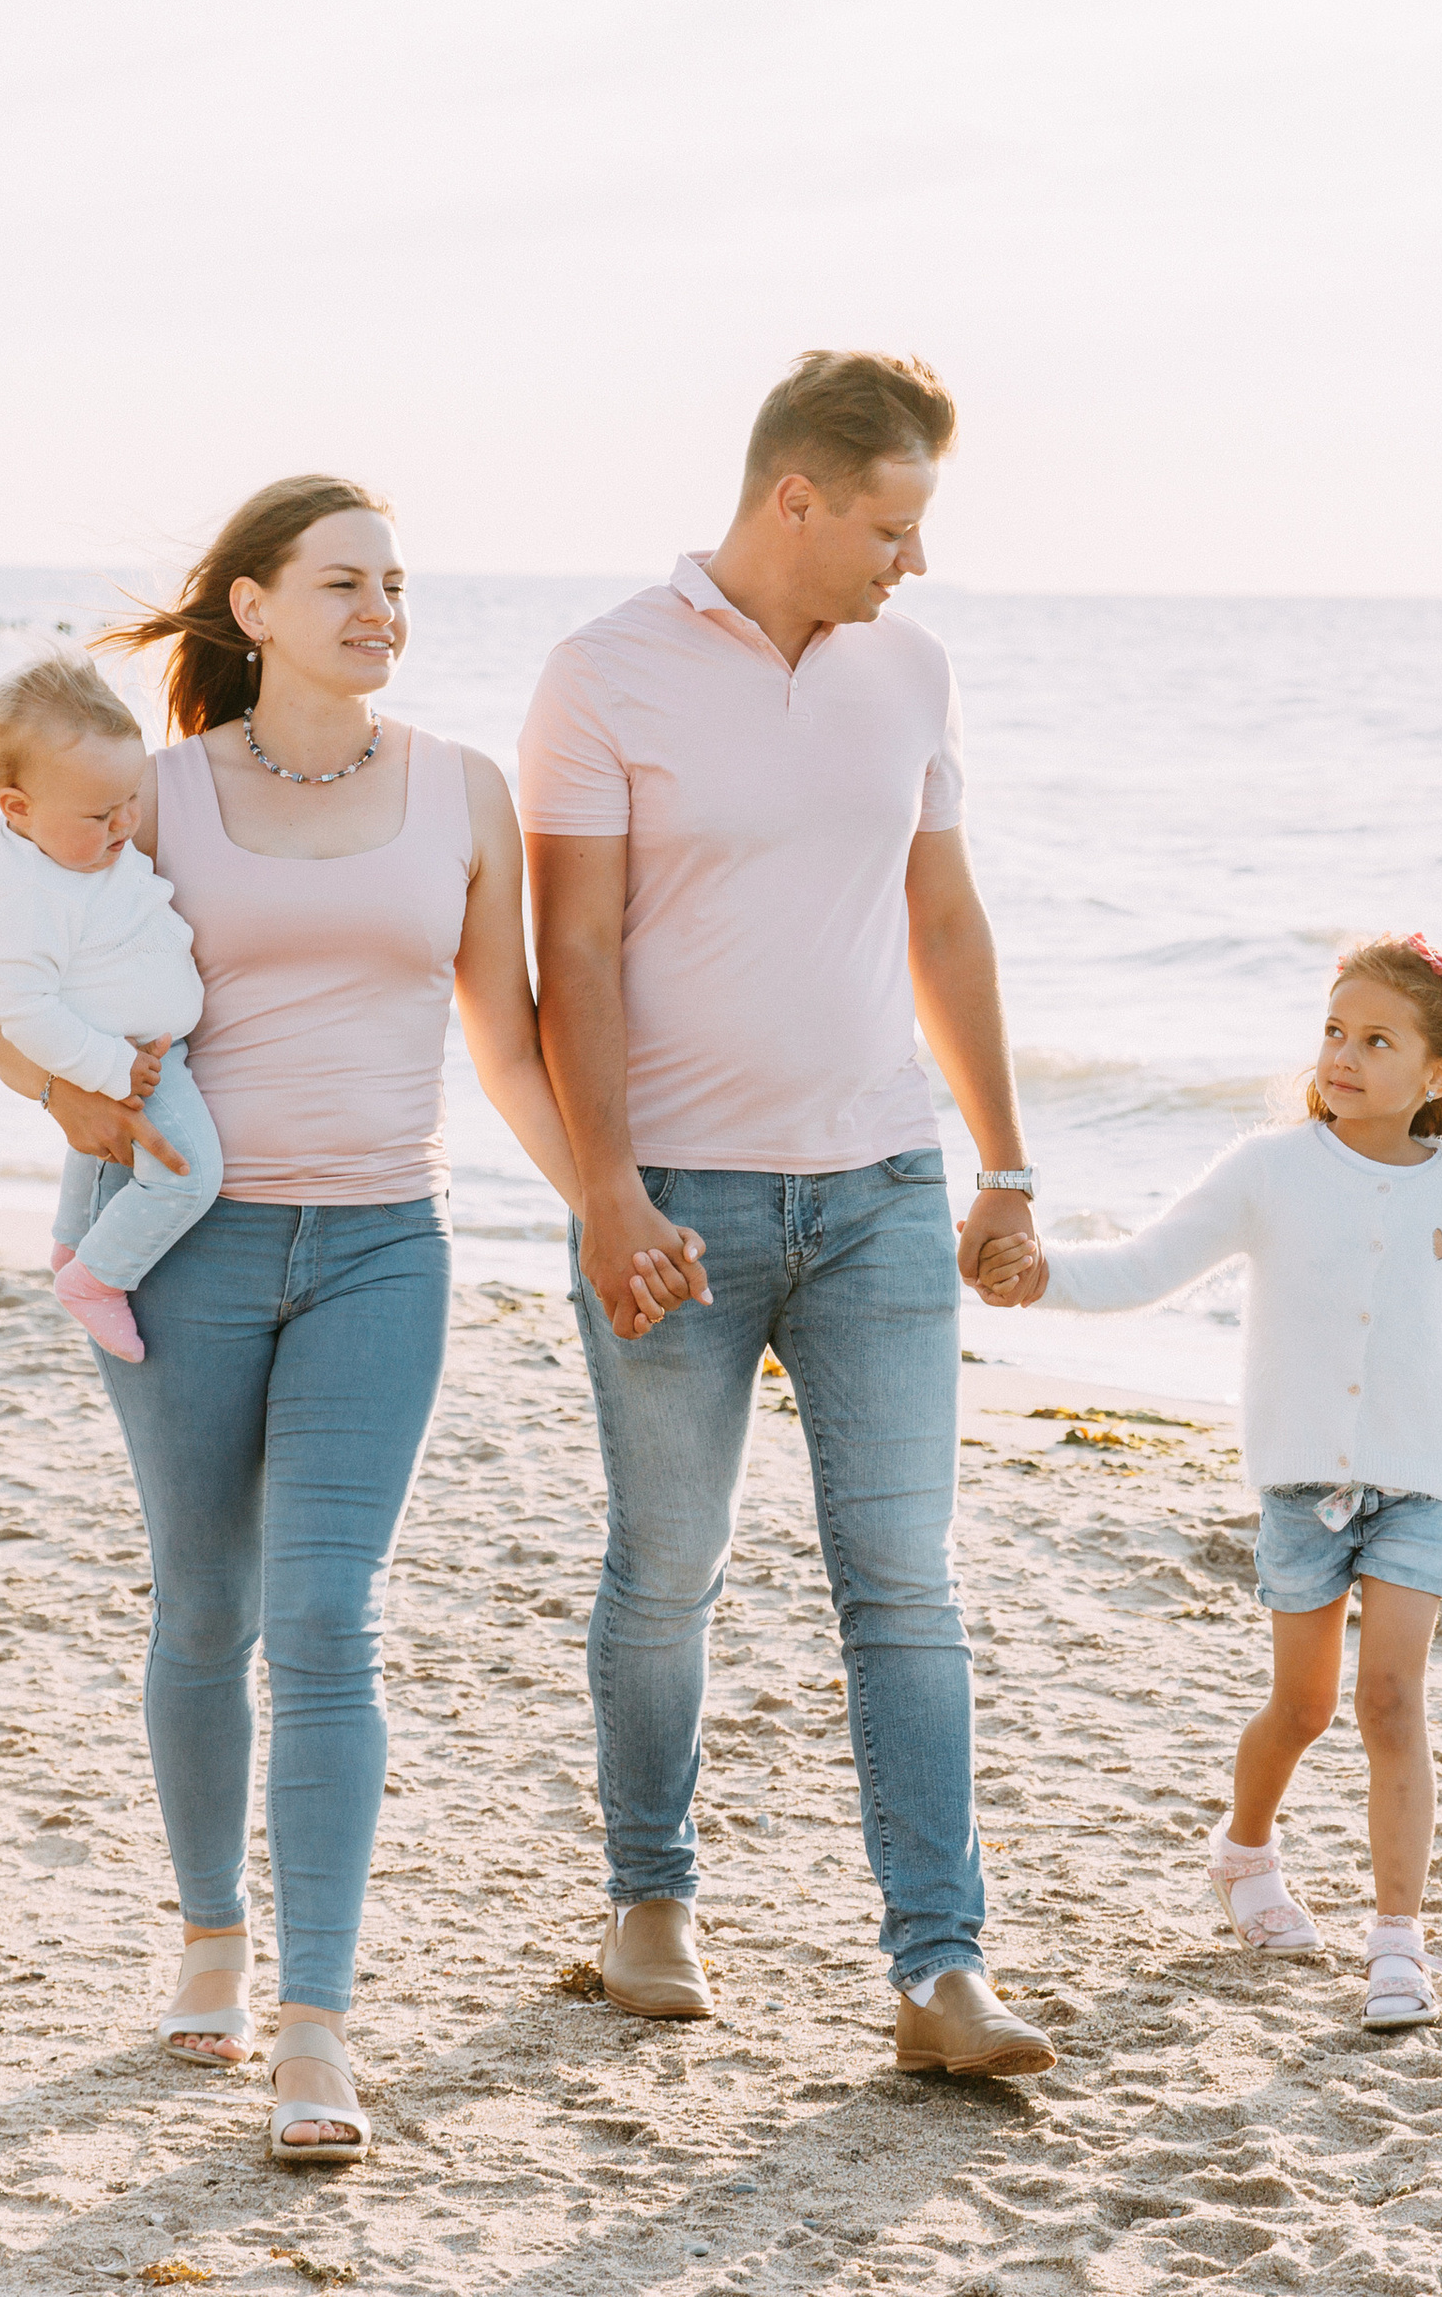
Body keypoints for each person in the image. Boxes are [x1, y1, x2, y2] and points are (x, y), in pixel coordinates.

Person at [0, 475, 628, 2162]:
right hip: (182, 1248)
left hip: (386, 1251)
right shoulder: (158, 792)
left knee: (324, 1621)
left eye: (396, 582)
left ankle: (315, 2026)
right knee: (203, 1608)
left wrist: (605, 1203)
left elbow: (507, 1041)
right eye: (343, 581)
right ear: (251, 609)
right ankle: (210, 1937)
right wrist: (72, 1113)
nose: (381, 609)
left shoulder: (465, 794)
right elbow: (3, 983)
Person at [521, 350, 1058, 2079]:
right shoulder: (602, 673)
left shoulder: (914, 669)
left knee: (903, 1582)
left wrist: (1006, 1162)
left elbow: (946, 918)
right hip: (676, 1200)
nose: (915, 558)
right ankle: (648, 1904)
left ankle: (939, 1972)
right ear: (796, 498)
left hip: (884, 1190)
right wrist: (604, 1192)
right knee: (667, 1571)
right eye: (894, 523)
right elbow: (574, 954)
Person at [977, 933, 1442, 2030]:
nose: (1342, 1055)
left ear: (1437, 1074)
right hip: (1302, 1490)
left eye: (1376, 1039)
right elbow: (1148, 1263)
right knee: (1305, 1705)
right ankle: (1243, 1853)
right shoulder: (1270, 1169)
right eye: (1334, 1030)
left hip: (1418, 1488)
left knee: (1392, 1702)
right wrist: (1044, 1273)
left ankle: (1397, 1944)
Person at [0, 648, 222, 1362]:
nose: (123, 826)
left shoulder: (67, 851)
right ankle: (96, 1279)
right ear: (18, 808)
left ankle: (71, 1242)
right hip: (135, 1059)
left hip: (137, 1046)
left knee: (95, 1163)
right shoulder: (28, 895)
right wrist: (112, 1071)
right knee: (187, 1175)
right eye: (100, 814)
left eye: (130, 803)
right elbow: (20, 1010)